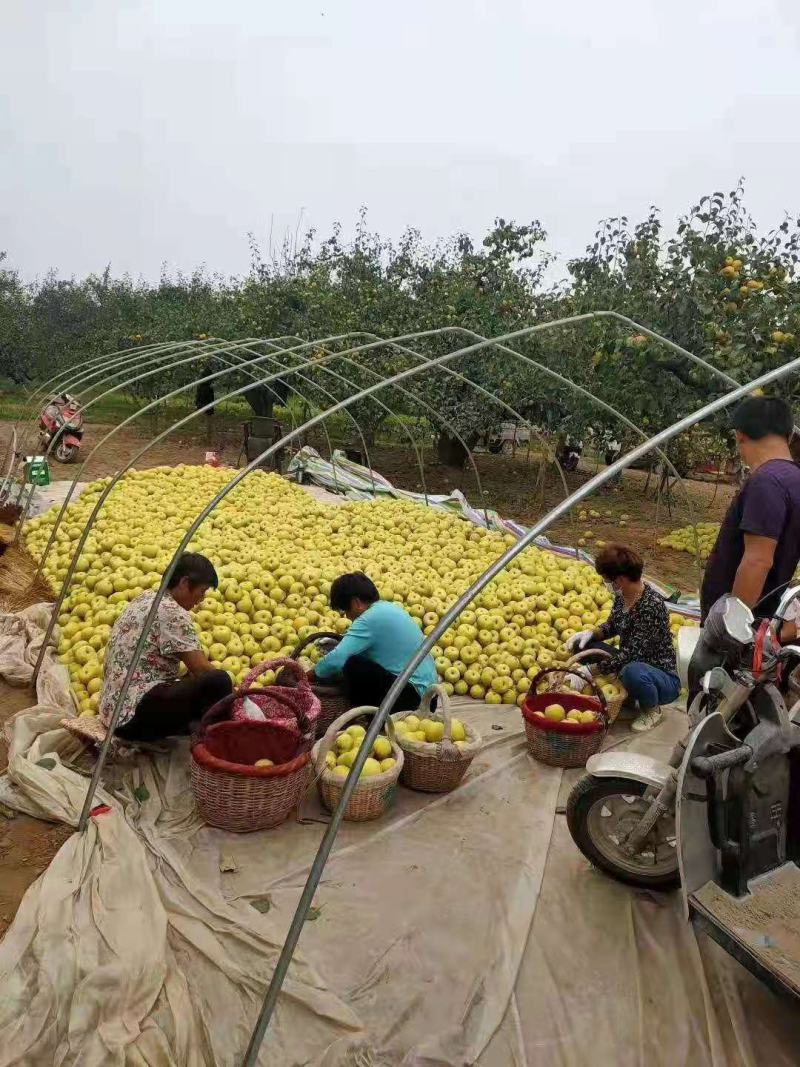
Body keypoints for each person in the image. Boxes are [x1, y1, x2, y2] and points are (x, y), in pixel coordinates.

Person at [100, 552, 232, 741]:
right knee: (218, 681)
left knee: (191, 680)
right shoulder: (172, 612)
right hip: (132, 719)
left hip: (111, 711)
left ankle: (197, 728)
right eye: (202, 591)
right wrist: (239, 697)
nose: (201, 599)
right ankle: (220, 741)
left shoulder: (145, 597)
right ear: (185, 583)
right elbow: (202, 670)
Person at [701, 395, 800, 622]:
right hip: (765, 613)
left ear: (740, 436)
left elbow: (758, 561)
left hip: (742, 626)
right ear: (790, 435)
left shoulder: (766, 480)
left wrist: (731, 630)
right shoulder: (795, 479)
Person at [566, 544, 679, 733]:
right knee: (582, 646)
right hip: (630, 661)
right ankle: (626, 698)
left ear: (619, 580)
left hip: (659, 678)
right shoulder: (623, 596)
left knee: (631, 671)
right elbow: (612, 625)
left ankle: (652, 710)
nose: (606, 584)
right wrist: (591, 634)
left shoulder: (651, 606)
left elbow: (630, 654)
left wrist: (590, 671)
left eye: (607, 580)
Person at [311, 571, 437, 710]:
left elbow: (336, 660)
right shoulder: (386, 607)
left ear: (356, 603)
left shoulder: (368, 619)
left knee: (353, 666)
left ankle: (373, 715)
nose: (347, 616)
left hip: (414, 698)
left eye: (346, 610)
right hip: (430, 694)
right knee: (355, 661)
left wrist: (307, 676)